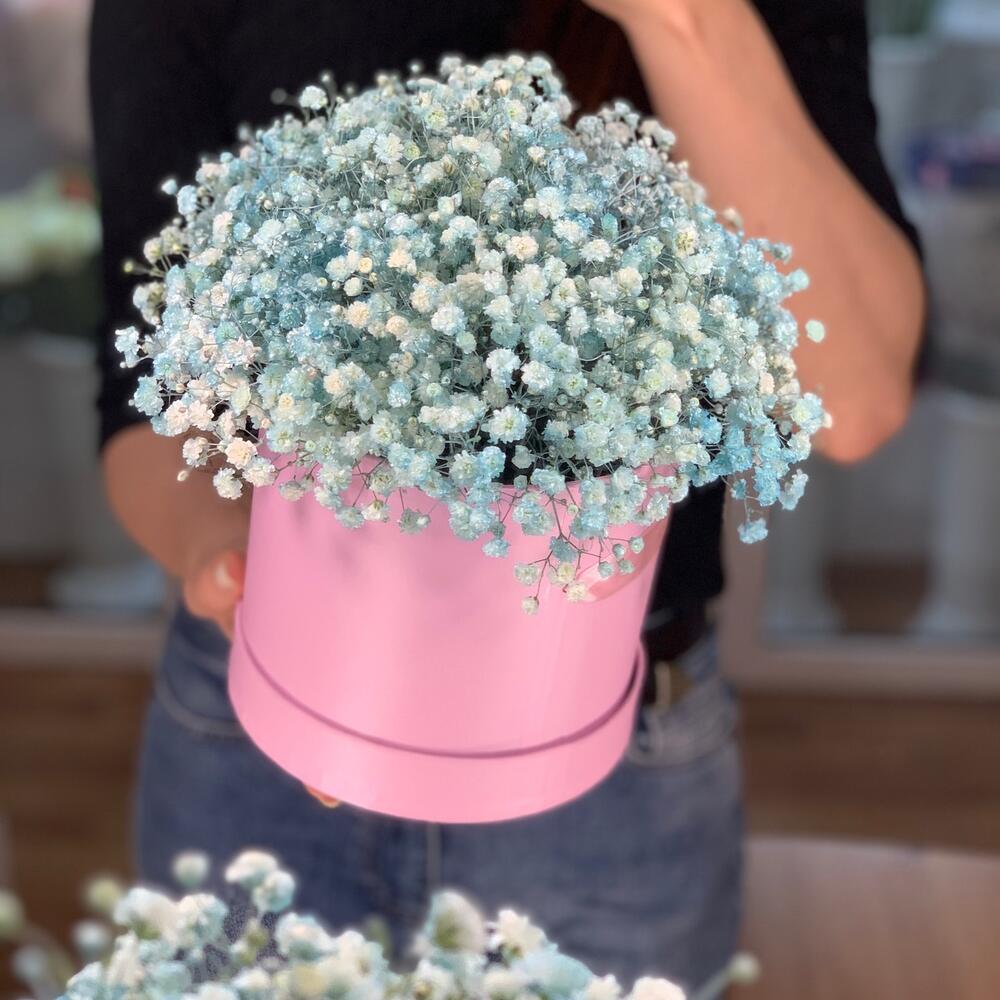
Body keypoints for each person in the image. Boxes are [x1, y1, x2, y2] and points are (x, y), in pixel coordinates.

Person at [90, 0, 925, 990]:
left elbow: (853, 399)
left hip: (607, 757)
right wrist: (231, 562)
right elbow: (141, 392)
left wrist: (682, 19)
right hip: (263, 734)